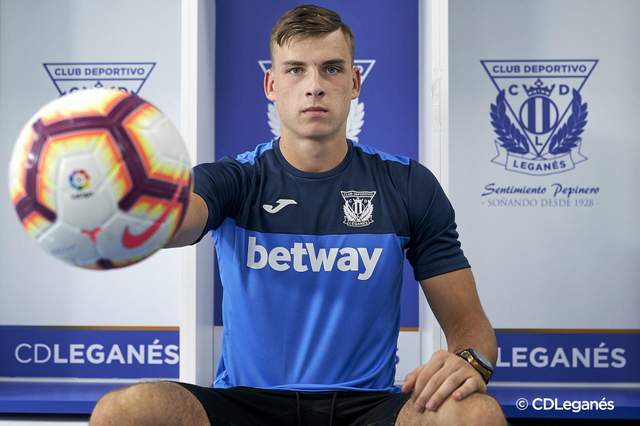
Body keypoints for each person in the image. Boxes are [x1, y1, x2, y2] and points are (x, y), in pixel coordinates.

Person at [90, 4, 506, 426]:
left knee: (475, 414)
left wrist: (469, 361)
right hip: (248, 405)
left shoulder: (407, 184)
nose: (314, 87)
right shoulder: (235, 178)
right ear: (271, 84)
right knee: (125, 412)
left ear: (354, 82)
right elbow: (181, 221)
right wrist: (130, 205)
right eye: (295, 70)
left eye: (331, 69)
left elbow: (471, 328)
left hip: (364, 407)